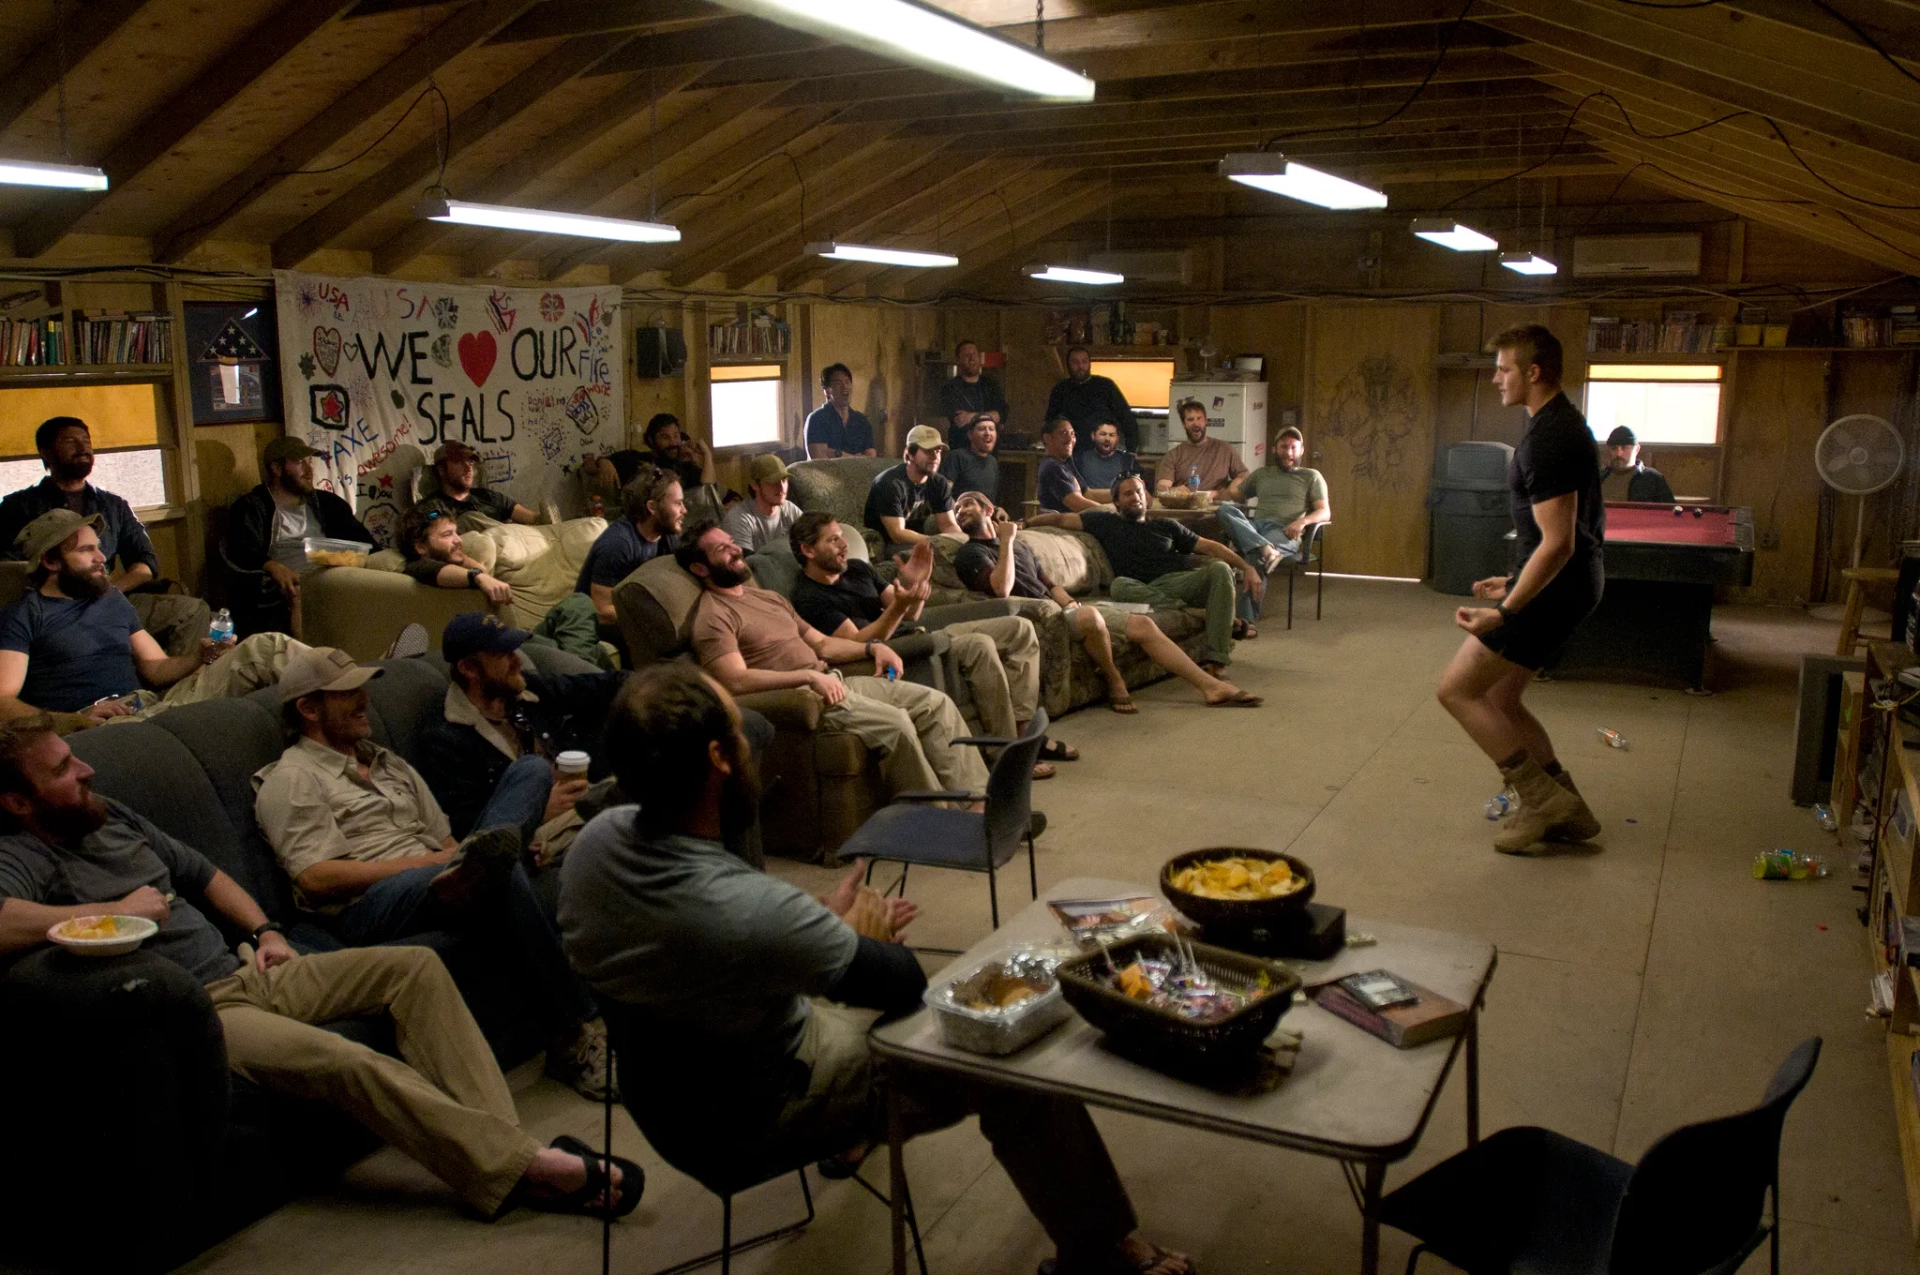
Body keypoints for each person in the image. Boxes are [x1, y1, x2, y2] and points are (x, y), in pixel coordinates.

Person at [556, 664, 1191, 1275]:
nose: (754, 748)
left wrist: (815, 928)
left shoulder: (599, 842)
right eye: (740, 733)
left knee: (833, 975)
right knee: (1010, 1057)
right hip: (756, 1115)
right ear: (720, 760)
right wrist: (847, 935)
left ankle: (851, 1137)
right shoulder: (744, 910)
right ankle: (1098, 1254)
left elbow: (721, 947)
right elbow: (900, 983)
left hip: (666, 1097)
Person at [0, 715, 641, 1223]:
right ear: (18, 802)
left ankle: (513, 1158)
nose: (86, 769)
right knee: (347, 1061)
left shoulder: (110, 815)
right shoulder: (23, 853)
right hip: (204, 1010)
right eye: (62, 768)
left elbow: (208, 875)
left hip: (252, 968)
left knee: (413, 967)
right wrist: (114, 908)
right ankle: (530, 1168)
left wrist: (267, 930)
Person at [251, 645, 613, 1099]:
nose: (365, 700)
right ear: (308, 709)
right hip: (369, 905)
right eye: (347, 693)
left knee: (529, 772)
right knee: (483, 867)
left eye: (364, 688)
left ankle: (494, 863)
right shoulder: (293, 777)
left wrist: (457, 858)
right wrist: (435, 863)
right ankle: (578, 1032)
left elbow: (444, 841)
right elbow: (316, 878)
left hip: (440, 874)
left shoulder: (388, 763)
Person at [418, 611, 778, 866]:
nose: (517, 660)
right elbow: (470, 834)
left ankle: (743, 886)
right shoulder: (447, 739)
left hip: (593, 794)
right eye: (502, 654)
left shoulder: (530, 691)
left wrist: (670, 693)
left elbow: (611, 684)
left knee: (709, 770)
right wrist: (538, 810)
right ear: (468, 669)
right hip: (544, 829)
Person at [1436, 324, 1604, 854]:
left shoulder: (1551, 437)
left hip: (1558, 589)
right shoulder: (1555, 424)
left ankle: (1543, 803)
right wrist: (1513, 579)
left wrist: (1507, 611)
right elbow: (1560, 536)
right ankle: (1568, 807)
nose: (1495, 379)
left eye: (1504, 369)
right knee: (1503, 697)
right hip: (1566, 585)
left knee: (1457, 690)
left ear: (1533, 373)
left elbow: (1558, 543)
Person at [678, 521, 989, 800]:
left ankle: (979, 802)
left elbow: (823, 643)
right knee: (896, 724)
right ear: (700, 568)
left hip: (837, 680)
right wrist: (808, 678)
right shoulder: (713, 617)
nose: (736, 550)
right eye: (722, 549)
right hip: (806, 696)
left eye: (732, 541)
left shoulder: (767, 598)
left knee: (935, 704)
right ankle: (936, 818)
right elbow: (735, 680)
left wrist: (872, 649)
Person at [788, 511, 1066, 779]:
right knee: (979, 645)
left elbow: (911, 613)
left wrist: (915, 586)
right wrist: (901, 605)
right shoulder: (810, 597)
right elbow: (861, 642)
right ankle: (1005, 755)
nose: (844, 544)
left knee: (1019, 628)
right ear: (808, 550)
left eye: (841, 537)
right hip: (901, 654)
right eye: (833, 540)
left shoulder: (858, 569)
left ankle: (1022, 731)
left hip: (920, 633)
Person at [955, 491, 1254, 713]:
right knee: (1092, 618)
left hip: (1061, 609)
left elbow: (1049, 585)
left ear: (989, 509)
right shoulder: (970, 554)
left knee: (1142, 624)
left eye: (967, 503)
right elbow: (1002, 589)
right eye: (956, 508)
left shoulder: (1021, 548)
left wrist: (1071, 603)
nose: (959, 510)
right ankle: (1114, 680)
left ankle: (1209, 686)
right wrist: (1005, 542)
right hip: (1032, 617)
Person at [0, 510, 299, 732]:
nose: (101, 557)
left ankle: (344, 700)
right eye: (85, 550)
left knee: (266, 646)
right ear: (50, 562)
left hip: (150, 705)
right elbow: (4, 701)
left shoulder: (111, 600)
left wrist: (200, 656)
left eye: (98, 547)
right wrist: (73, 721)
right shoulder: (24, 616)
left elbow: (156, 668)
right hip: (99, 727)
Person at [1030, 473, 1264, 691]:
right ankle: (1196, 612)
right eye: (1128, 493)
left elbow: (1211, 546)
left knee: (1220, 569)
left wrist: (1248, 568)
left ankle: (1217, 661)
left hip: (1174, 582)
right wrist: (1027, 524)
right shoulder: (1104, 521)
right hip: (1136, 589)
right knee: (1119, 585)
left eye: (1139, 492)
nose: (1135, 497)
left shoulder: (1166, 526)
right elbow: (1061, 518)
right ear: (1117, 502)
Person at [0, 415, 208, 654]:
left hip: (109, 598)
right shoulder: (17, 506)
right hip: (50, 607)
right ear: (46, 452)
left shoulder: (113, 505)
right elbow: (8, 568)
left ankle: (178, 685)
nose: (82, 448)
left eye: (86, 441)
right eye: (70, 441)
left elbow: (145, 565)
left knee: (194, 610)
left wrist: (109, 592)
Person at [396, 503, 607, 668]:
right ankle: (580, 683)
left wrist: (469, 563)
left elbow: (465, 567)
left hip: (520, 639)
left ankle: (584, 680)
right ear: (421, 546)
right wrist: (478, 577)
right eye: (447, 535)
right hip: (512, 648)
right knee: (580, 608)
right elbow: (433, 571)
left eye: (456, 532)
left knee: (581, 614)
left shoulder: (453, 563)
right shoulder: (415, 570)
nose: (458, 540)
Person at [223, 436, 373, 639]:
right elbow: (240, 549)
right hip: (289, 583)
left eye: (309, 462)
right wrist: (272, 566)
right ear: (276, 468)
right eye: (299, 462)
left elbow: (363, 541)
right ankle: (304, 658)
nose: (309, 470)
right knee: (302, 594)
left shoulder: (327, 503)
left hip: (335, 574)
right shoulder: (252, 507)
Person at [1215, 425, 1333, 636]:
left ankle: (1247, 621)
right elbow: (1236, 495)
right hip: (1256, 527)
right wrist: (1221, 491)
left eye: (1293, 448)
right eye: (1284, 446)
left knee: (1255, 556)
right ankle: (1265, 548)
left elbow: (1324, 512)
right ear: (1274, 450)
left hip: (1284, 531)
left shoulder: (1311, 476)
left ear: (1302, 451)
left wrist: (1303, 522)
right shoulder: (1262, 474)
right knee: (1224, 511)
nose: (1289, 452)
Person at [575, 467, 684, 628]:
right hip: (593, 624)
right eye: (677, 503)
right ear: (652, 507)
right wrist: (653, 614)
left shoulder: (668, 534)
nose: (684, 510)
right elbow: (602, 611)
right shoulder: (618, 543)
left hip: (634, 612)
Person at [864, 424, 959, 552]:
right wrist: (936, 542)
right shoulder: (889, 483)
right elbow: (898, 535)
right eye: (928, 451)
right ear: (909, 453)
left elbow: (948, 525)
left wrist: (963, 542)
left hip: (919, 539)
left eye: (938, 451)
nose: (935, 457)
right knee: (932, 553)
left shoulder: (939, 482)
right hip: (887, 544)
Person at [1045, 346, 1139, 452]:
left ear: (1089, 364)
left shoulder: (1105, 386)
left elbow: (1126, 418)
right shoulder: (1060, 389)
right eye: (1075, 362)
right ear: (1068, 365)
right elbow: (1050, 422)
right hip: (1071, 453)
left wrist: (1131, 450)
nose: (1080, 366)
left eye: (1084, 361)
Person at [427, 440, 537, 525]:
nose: (468, 468)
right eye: (458, 462)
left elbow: (532, 518)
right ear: (441, 470)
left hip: (509, 547)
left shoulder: (489, 497)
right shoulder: (433, 507)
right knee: (469, 519)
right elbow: (426, 520)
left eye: (470, 461)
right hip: (471, 549)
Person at [1156, 399, 1246, 496]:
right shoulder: (1173, 455)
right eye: (1190, 420)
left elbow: (1244, 476)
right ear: (1184, 424)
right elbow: (1162, 487)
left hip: (1217, 507)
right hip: (1185, 507)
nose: (1196, 423)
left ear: (1206, 421)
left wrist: (1222, 493)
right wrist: (1174, 490)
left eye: (1199, 418)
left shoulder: (1225, 449)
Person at [720, 453, 804, 553]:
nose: (781, 488)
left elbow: (812, 541)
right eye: (773, 482)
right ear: (755, 485)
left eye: (784, 480)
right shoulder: (739, 518)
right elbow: (746, 564)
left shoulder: (790, 509)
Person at [939, 339, 1009, 450]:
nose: (972, 359)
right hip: (962, 450)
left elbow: (1002, 413)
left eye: (974, 354)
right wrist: (990, 416)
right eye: (967, 355)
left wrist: (971, 416)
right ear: (958, 360)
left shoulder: (991, 385)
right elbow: (960, 420)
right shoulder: (951, 388)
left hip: (989, 452)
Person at [804, 363, 877, 459]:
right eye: (838, 383)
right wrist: (857, 457)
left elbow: (871, 459)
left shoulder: (862, 421)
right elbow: (819, 460)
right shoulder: (817, 419)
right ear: (826, 391)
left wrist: (837, 454)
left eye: (847, 382)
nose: (845, 387)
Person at [1037, 418, 1105, 514]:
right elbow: (1077, 504)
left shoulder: (1066, 461)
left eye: (1072, 434)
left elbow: (1088, 494)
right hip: (1059, 524)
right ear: (1047, 438)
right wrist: (1111, 512)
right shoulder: (1052, 467)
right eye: (1064, 434)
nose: (1070, 439)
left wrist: (1120, 494)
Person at [1601, 426, 1675, 503]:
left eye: (1624, 448)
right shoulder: (1599, 478)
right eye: (1614, 448)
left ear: (1637, 449)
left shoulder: (1653, 479)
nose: (1619, 454)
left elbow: (1669, 511)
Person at [940, 413, 1000, 501]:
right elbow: (942, 495)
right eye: (982, 429)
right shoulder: (957, 457)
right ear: (970, 435)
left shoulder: (993, 461)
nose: (987, 433)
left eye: (991, 429)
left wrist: (996, 508)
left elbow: (988, 500)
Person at [1074, 420, 1136, 500]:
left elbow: (1140, 494)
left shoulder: (1127, 460)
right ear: (1093, 435)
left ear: (1117, 438)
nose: (1107, 439)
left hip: (1119, 509)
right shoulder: (1080, 459)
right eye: (1103, 434)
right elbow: (1079, 493)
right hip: (1088, 508)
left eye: (1111, 435)